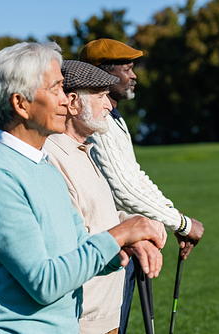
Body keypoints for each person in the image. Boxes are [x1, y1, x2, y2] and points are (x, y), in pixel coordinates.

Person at [0, 42, 166, 334]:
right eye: (56, 89)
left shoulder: (42, 165)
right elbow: (43, 282)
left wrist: (124, 246)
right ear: (21, 104)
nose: (66, 101)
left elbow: (79, 249)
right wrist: (119, 234)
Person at [79, 38, 205, 333]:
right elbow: (124, 190)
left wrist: (173, 215)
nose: (134, 75)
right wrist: (181, 224)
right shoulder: (97, 122)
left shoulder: (114, 119)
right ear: (104, 75)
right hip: (108, 247)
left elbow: (135, 177)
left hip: (125, 240)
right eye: (128, 68)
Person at [43, 60, 162, 334]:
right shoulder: (52, 156)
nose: (109, 106)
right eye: (100, 97)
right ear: (72, 103)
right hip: (81, 320)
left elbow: (99, 216)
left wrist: (136, 224)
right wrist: (128, 234)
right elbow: (70, 239)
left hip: (107, 312)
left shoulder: (84, 149)